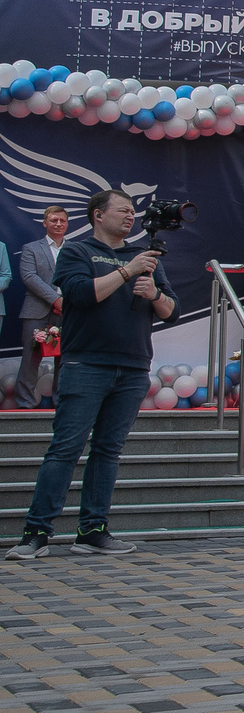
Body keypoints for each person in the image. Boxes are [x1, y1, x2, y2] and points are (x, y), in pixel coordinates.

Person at [9, 190, 171, 556]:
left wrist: (154, 295)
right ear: (98, 215)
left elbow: (170, 310)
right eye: (122, 211)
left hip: (132, 366)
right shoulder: (77, 251)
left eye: (133, 211)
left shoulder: (145, 257)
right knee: (65, 449)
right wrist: (127, 272)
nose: (131, 216)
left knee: (108, 450)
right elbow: (80, 295)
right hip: (86, 364)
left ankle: (93, 530)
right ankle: (36, 533)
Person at [14, 205, 68, 409]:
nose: (58, 224)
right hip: (36, 309)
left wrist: (66, 302)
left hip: (68, 310)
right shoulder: (31, 248)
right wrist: (56, 300)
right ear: (45, 223)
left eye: (62, 220)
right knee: (30, 359)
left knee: (65, 358)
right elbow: (29, 277)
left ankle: (60, 402)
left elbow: (81, 277)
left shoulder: (75, 249)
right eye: (54, 220)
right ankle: (24, 403)